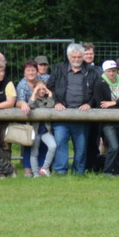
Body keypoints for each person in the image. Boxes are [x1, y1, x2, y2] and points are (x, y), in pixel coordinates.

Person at [46, 43, 99, 175]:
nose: (76, 60)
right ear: (68, 57)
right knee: (60, 143)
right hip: (61, 114)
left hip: (82, 115)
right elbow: (50, 87)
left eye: (79, 57)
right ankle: (60, 172)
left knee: (81, 147)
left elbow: (96, 92)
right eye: (74, 57)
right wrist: (56, 102)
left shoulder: (91, 71)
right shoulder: (58, 68)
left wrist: (90, 103)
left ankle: (79, 172)